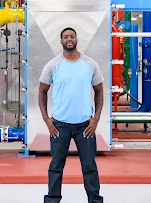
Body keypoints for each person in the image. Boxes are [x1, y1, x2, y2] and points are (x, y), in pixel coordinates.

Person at [39, 27, 104, 203]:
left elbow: (99, 91)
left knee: (89, 166)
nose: (69, 39)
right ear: (61, 41)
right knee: (56, 167)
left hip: (85, 126)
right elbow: (42, 91)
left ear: (76, 39)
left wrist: (95, 119)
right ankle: (52, 200)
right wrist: (47, 120)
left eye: (72, 36)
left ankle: (95, 200)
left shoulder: (90, 64)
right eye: (66, 37)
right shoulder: (53, 65)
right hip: (59, 126)